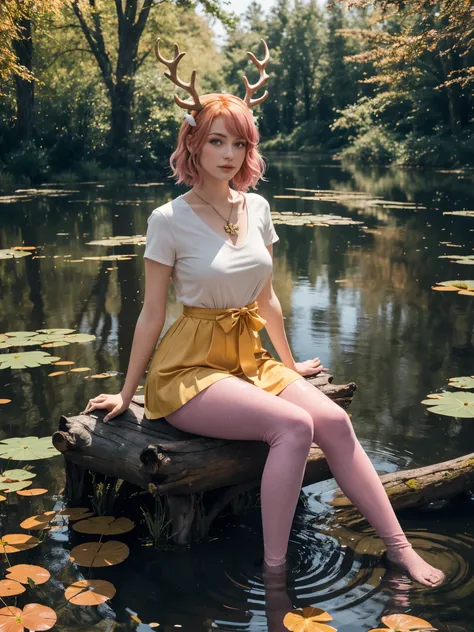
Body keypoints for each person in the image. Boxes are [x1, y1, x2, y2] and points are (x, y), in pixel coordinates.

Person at [84, 39, 445, 589]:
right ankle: (276, 575)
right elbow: (151, 314)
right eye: (216, 141)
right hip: (189, 369)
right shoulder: (167, 219)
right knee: (294, 427)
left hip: (247, 358)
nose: (228, 154)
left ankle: (399, 549)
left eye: (239, 142)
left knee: (335, 421)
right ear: (194, 145)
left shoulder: (256, 207)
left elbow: (266, 297)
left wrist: (290, 363)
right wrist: (128, 395)